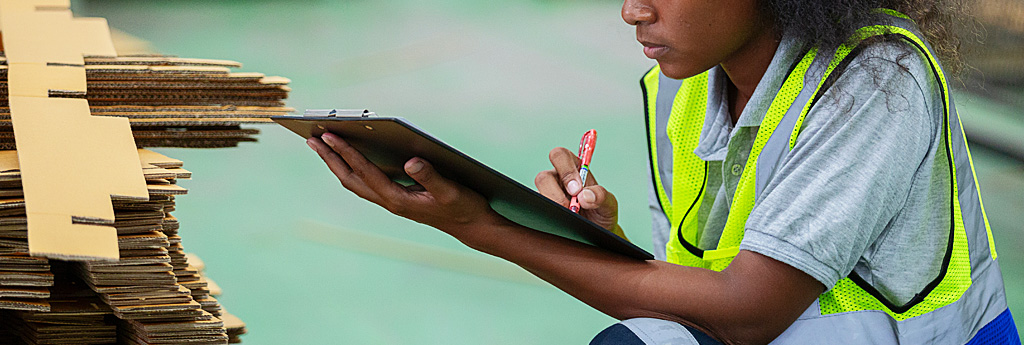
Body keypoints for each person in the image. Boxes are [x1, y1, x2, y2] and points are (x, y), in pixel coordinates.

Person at [306, 0, 1020, 343]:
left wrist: (483, 227)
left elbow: (744, 311)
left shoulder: (876, 76)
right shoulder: (680, 87)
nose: (631, 10)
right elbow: (690, 290)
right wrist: (596, 237)